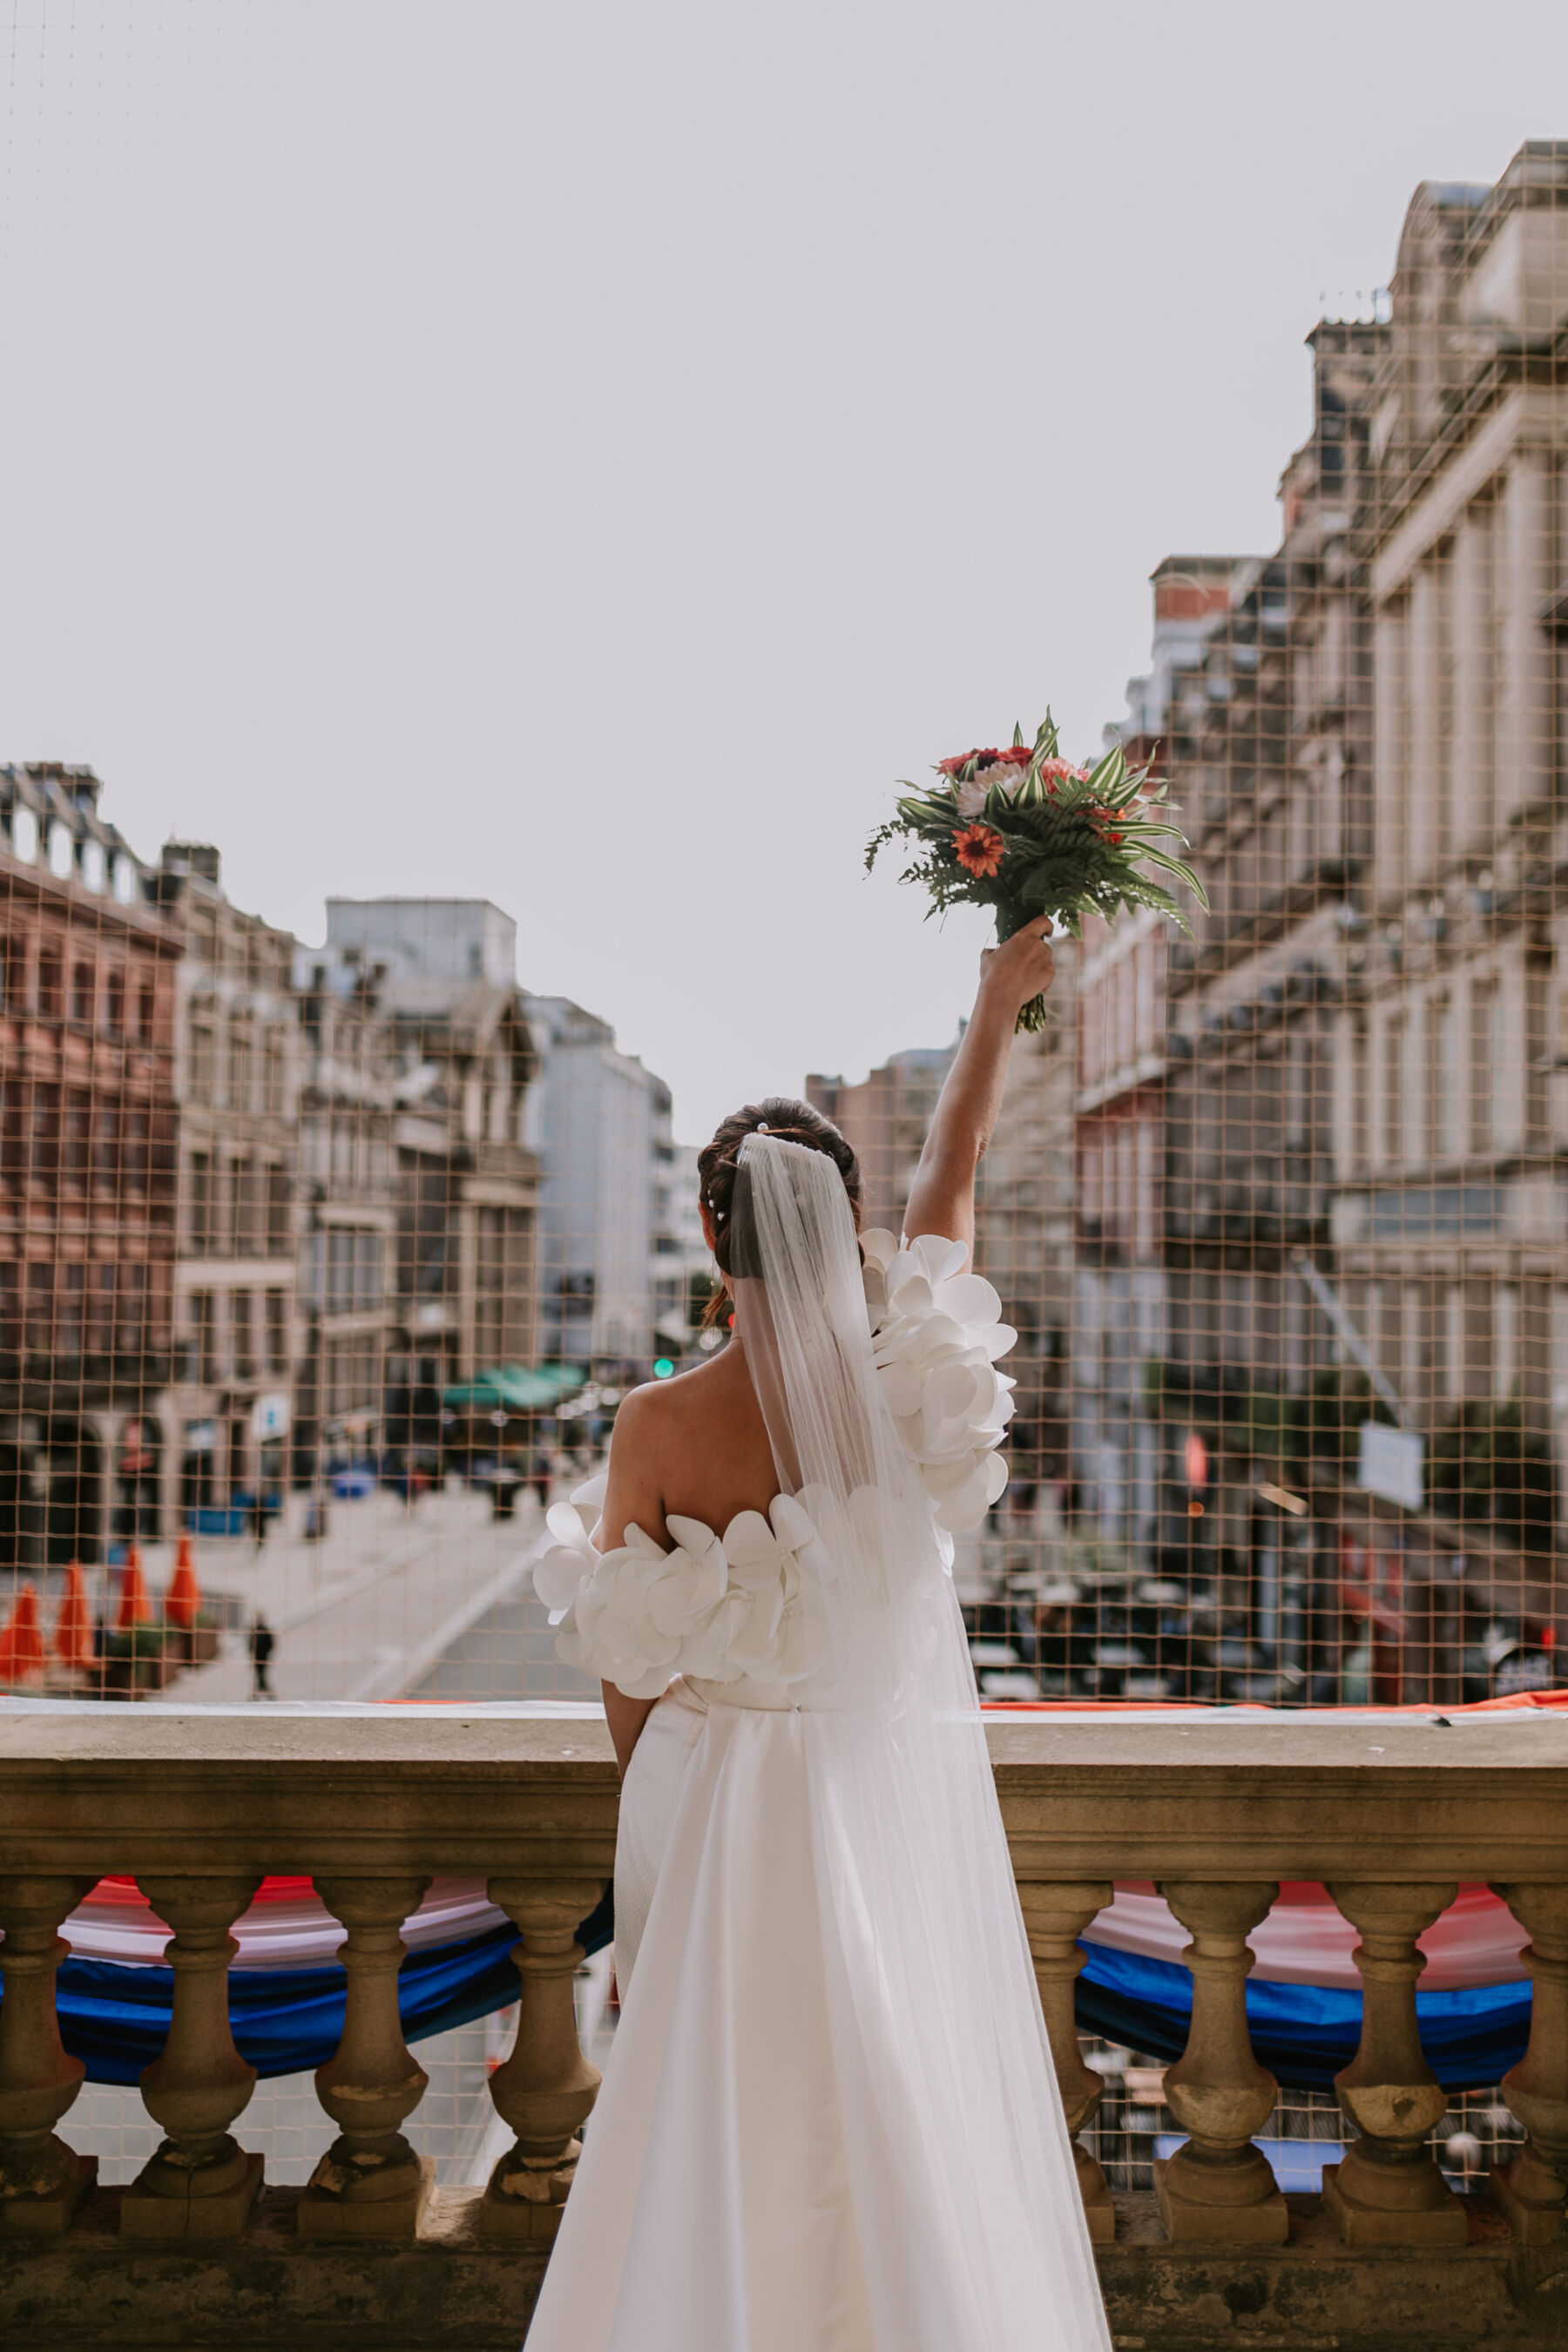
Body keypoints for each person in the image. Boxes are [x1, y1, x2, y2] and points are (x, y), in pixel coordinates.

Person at [526, 921, 1109, 2352]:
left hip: (722, 1810)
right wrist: (991, 1010)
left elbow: (626, 1668)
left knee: (711, 2127)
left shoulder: (655, 1424)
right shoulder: (912, 1385)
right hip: (869, 1796)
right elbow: (952, 1177)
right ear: (846, 1232)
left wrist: (659, 1815)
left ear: (709, 1234)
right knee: (889, 2104)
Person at [247, 1612, 275, 1700]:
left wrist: (265, 1652)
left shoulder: (266, 1630)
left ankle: (257, 1695)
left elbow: (271, 1644)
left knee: (261, 1676)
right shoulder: (254, 1631)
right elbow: (250, 1644)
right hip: (256, 1658)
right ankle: (266, 1695)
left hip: (263, 1658)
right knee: (260, 1676)